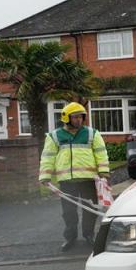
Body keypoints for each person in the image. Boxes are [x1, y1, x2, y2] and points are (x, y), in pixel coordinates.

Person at [38, 102, 110, 251]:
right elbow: (48, 157)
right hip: (67, 181)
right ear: (66, 118)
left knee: (89, 210)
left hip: (88, 179)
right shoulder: (54, 136)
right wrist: (45, 175)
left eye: (80, 117)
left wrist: (103, 172)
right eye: (75, 117)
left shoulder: (92, 133)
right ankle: (70, 238)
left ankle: (89, 235)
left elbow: (101, 153)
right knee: (68, 212)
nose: (78, 120)